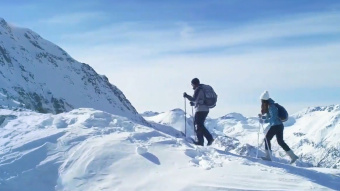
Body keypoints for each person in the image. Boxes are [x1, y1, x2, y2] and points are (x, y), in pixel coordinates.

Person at [259, 90, 299, 164]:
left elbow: (273, 118)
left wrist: (264, 121)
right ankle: (293, 156)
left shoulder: (271, 107)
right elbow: (270, 117)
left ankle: (268, 157)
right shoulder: (271, 105)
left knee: (267, 139)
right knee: (280, 141)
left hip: (276, 126)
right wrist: (263, 118)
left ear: (264, 101)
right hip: (279, 126)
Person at [183, 78, 214, 146]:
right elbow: (200, 100)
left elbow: (194, 99)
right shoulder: (202, 88)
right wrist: (194, 104)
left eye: (192, 84)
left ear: (194, 84)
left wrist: (186, 96)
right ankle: (205, 140)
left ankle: (204, 140)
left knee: (198, 124)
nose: (192, 86)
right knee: (199, 124)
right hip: (205, 109)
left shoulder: (198, 89)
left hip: (200, 110)